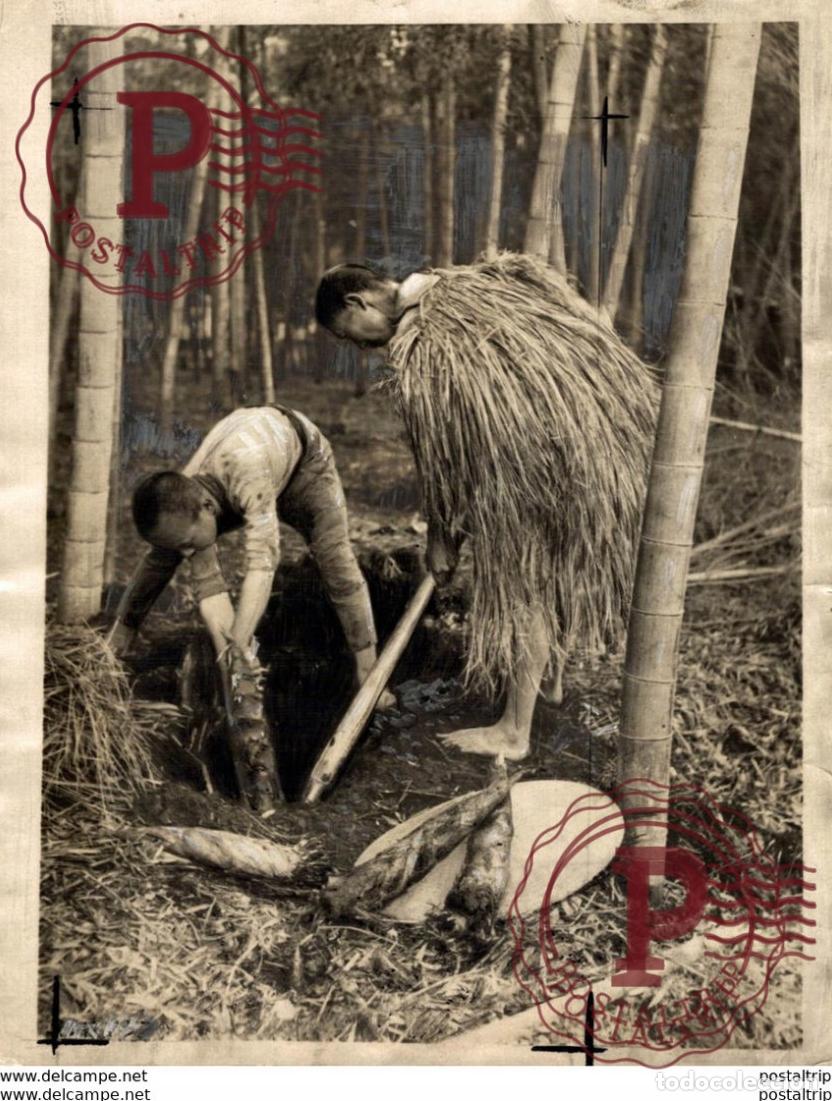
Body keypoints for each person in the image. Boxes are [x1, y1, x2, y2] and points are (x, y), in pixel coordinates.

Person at [315, 254, 658, 761]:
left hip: (531, 471)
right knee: (550, 578)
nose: (362, 347)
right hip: (591, 455)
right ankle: (550, 684)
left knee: (523, 590)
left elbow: (442, 454)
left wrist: (441, 538)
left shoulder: (422, 342)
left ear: (357, 302)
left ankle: (514, 731)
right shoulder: (470, 286)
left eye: (350, 334)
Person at [109, 405, 395, 707]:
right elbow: (162, 563)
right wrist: (123, 629)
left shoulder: (246, 475)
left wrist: (239, 648)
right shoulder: (186, 493)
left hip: (303, 464)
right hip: (240, 470)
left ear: (207, 506)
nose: (185, 553)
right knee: (168, 554)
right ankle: (119, 642)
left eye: (186, 543)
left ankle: (369, 674)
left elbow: (262, 566)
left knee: (334, 557)